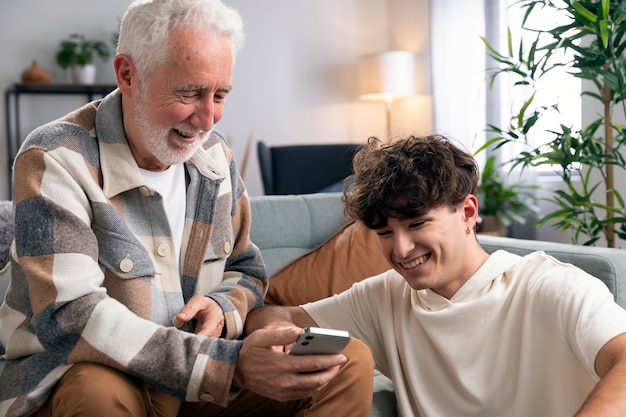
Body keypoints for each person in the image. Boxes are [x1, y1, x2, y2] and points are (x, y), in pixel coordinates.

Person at [0, 0, 374, 416]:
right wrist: (227, 366)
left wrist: (222, 307)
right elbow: (71, 317)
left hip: (198, 386)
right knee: (96, 389)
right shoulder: (54, 157)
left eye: (220, 95)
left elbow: (246, 270)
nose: (208, 118)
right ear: (127, 74)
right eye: (190, 92)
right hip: (102, 376)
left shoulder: (216, 157)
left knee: (347, 362)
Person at [246, 134, 626, 417]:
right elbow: (277, 314)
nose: (401, 249)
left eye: (417, 224)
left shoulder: (547, 286)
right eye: (385, 233)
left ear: (467, 212)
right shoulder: (383, 298)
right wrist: (277, 338)